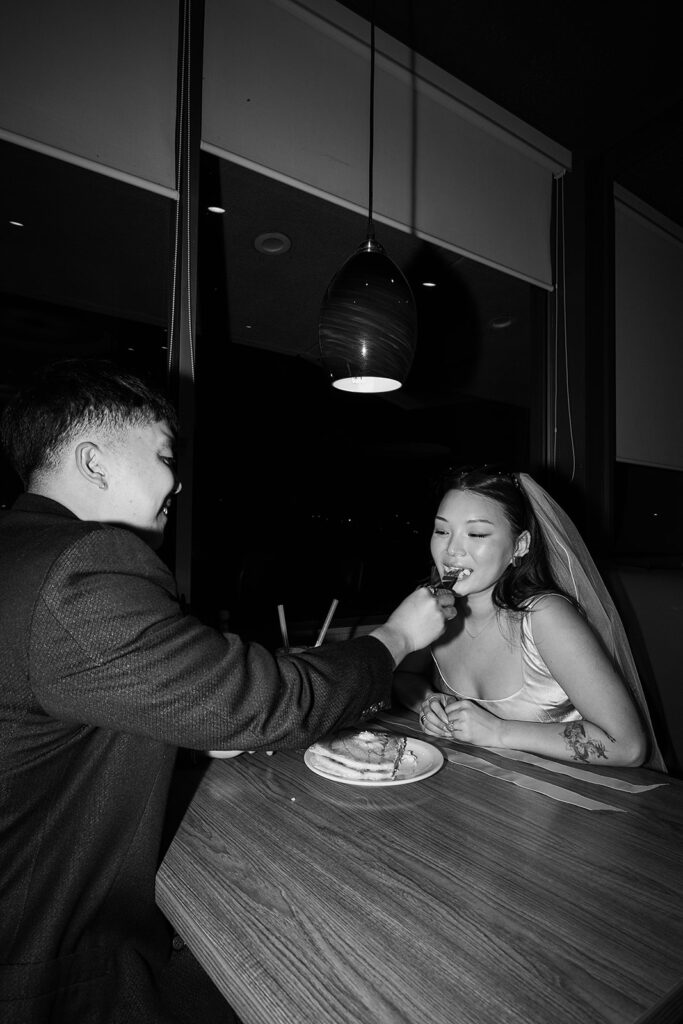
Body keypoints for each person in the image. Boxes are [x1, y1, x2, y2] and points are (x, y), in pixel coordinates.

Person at [0, 358, 455, 1024]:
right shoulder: (81, 565)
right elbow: (266, 701)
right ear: (94, 462)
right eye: (161, 454)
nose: (176, 479)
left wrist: (189, 733)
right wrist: (392, 638)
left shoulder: (19, 554)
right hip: (45, 968)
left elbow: (50, 712)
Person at [394, 465, 666, 770]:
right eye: (442, 530)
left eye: (477, 533)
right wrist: (431, 703)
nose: (451, 549)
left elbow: (628, 746)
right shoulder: (435, 612)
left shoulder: (546, 617)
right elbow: (403, 677)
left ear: (520, 545)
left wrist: (498, 731)